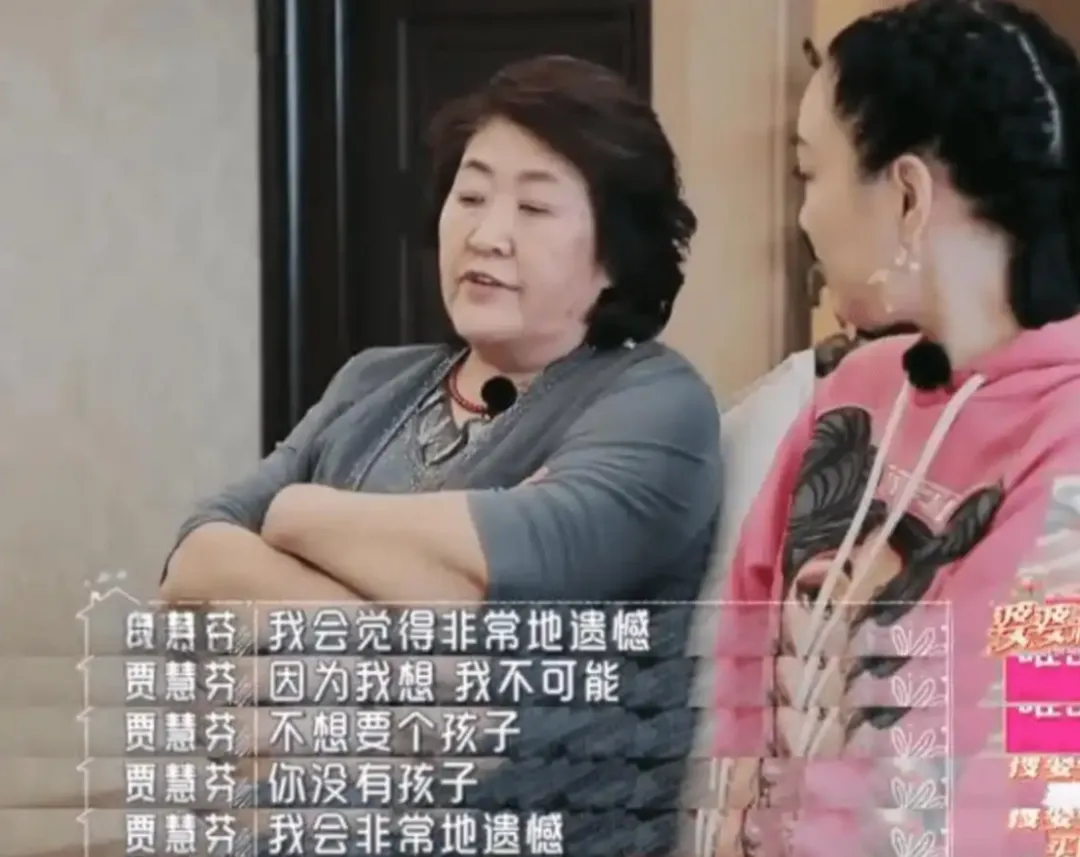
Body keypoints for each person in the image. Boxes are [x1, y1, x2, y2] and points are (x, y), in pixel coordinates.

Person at [162, 55, 721, 855]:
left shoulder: (654, 403)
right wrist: (402, 662)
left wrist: (294, 517)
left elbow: (508, 600)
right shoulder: (373, 382)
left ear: (614, 254)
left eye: (535, 206)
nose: (486, 234)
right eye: (471, 194)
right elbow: (195, 557)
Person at [709, 2, 1080, 856]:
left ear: (907, 194)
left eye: (811, 174)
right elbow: (744, 638)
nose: (803, 215)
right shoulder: (854, 390)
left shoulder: (1064, 441)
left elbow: (1027, 780)